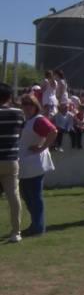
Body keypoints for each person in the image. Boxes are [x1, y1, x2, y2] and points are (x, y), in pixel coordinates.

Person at [18, 94, 57, 237]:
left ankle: (38, 227)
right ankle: (35, 224)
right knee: (26, 194)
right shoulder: (28, 121)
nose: (27, 107)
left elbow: (53, 131)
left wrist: (41, 147)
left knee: (34, 196)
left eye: (30, 104)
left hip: (35, 163)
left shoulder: (38, 120)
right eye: (24, 104)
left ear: (35, 106)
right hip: (27, 163)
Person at [0, 83, 25, 243]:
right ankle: (16, 232)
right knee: (14, 196)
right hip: (11, 159)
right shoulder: (18, 113)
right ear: (9, 97)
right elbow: (20, 132)